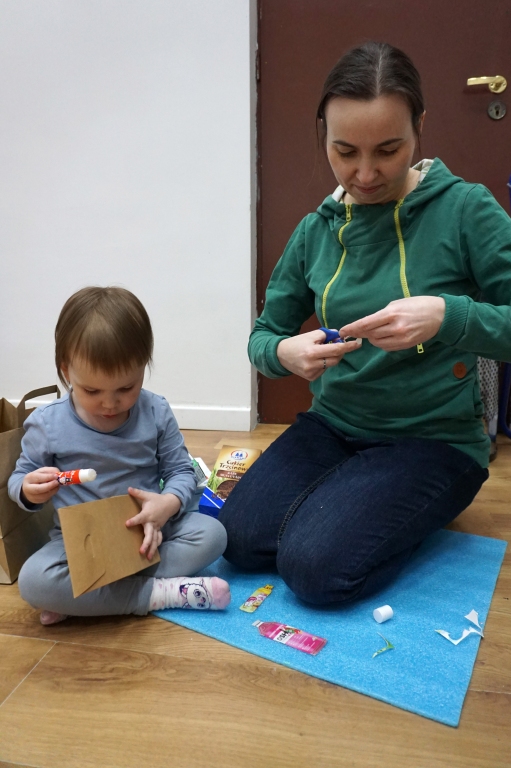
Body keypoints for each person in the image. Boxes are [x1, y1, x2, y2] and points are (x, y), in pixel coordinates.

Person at [219, 41, 511, 606]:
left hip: (434, 440)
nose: (366, 173)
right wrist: (285, 354)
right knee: (239, 540)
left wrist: (447, 315)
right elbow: (262, 338)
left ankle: (387, 509)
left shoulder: (466, 211)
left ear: (419, 129)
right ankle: (355, 500)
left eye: (388, 150)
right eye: (345, 151)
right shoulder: (316, 231)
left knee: (314, 570)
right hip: (333, 426)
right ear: (323, 135)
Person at [9, 286, 231, 624]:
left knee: (213, 535)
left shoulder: (155, 411)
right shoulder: (47, 424)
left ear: (143, 367)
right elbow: (19, 480)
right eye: (92, 390)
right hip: (82, 546)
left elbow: (181, 472)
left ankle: (90, 598)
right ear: (66, 371)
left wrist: (168, 504)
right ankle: (159, 593)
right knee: (33, 580)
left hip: (148, 534)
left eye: (127, 388)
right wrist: (28, 490)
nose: (110, 403)